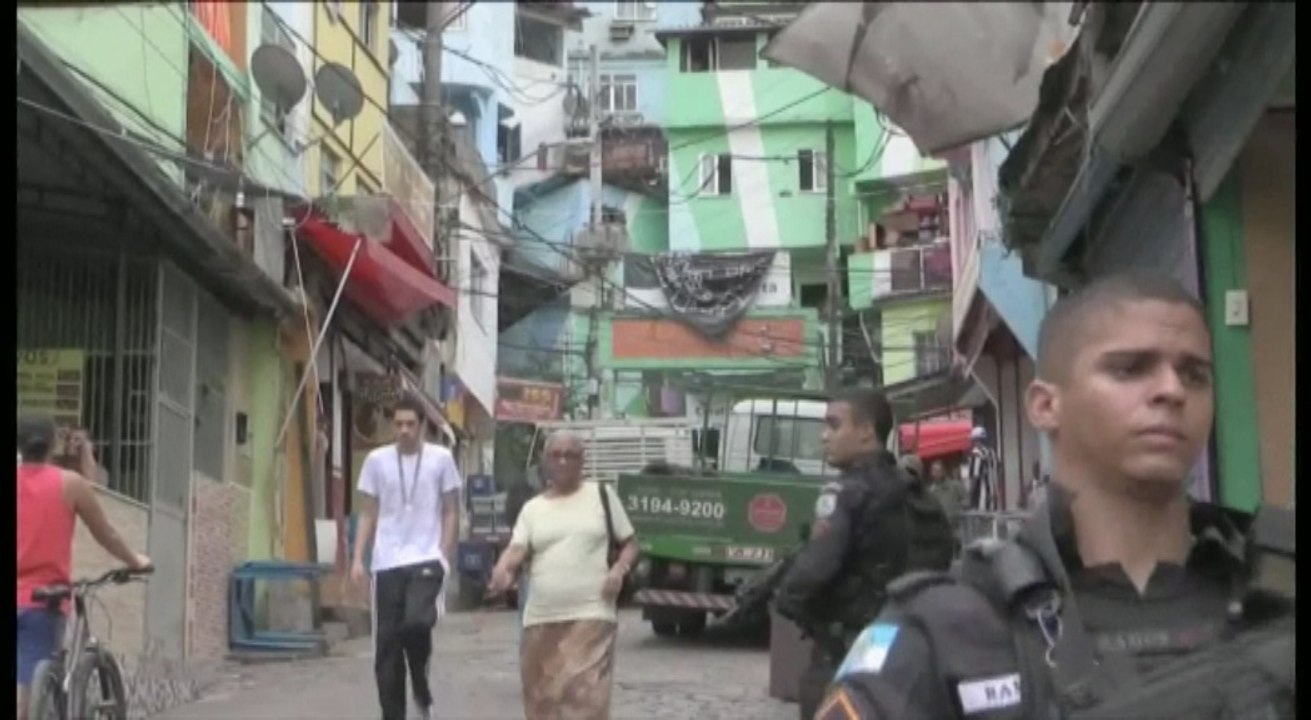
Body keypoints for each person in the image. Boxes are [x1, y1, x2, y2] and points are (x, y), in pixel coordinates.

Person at [816, 272, 1295, 719]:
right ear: (1046, 405)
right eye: (1130, 369)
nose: (1172, 390)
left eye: (1194, 375)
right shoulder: (945, 628)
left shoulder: (1276, 597)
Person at [773, 389, 955, 720]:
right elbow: (943, 556)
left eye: (834, 425)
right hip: (911, 657)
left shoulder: (846, 492)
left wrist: (787, 600)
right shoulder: (920, 495)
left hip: (847, 654)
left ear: (867, 431)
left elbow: (813, 571)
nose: (824, 436)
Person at [487, 431, 639, 720]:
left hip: (591, 614)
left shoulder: (601, 496)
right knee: (542, 704)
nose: (563, 461)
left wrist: (619, 570)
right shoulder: (533, 510)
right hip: (541, 621)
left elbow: (630, 544)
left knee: (586, 702)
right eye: (556, 455)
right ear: (545, 462)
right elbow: (517, 548)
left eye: (570, 455)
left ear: (582, 461)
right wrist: (503, 568)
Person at [17, 415, 152, 720]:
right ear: (52, 445)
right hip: (41, 602)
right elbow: (107, 534)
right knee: (27, 696)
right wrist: (136, 561)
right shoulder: (70, 484)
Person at [351, 393, 463, 720]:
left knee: (416, 623)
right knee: (386, 649)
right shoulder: (377, 461)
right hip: (387, 563)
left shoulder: (441, 458)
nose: (404, 430)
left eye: (410, 424)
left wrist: (444, 555)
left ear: (423, 426)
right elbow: (368, 513)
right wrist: (359, 557)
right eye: (398, 424)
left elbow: (451, 511)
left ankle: (421, 685)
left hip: (426, 559)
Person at [965, 425, 999, 511]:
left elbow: (975, 476)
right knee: (991, 520)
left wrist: (969, 496)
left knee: (981, 521)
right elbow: (998, 470)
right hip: (992, 495)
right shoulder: (992, 452)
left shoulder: (977, 452)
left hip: (981, 497)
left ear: (976, 440)